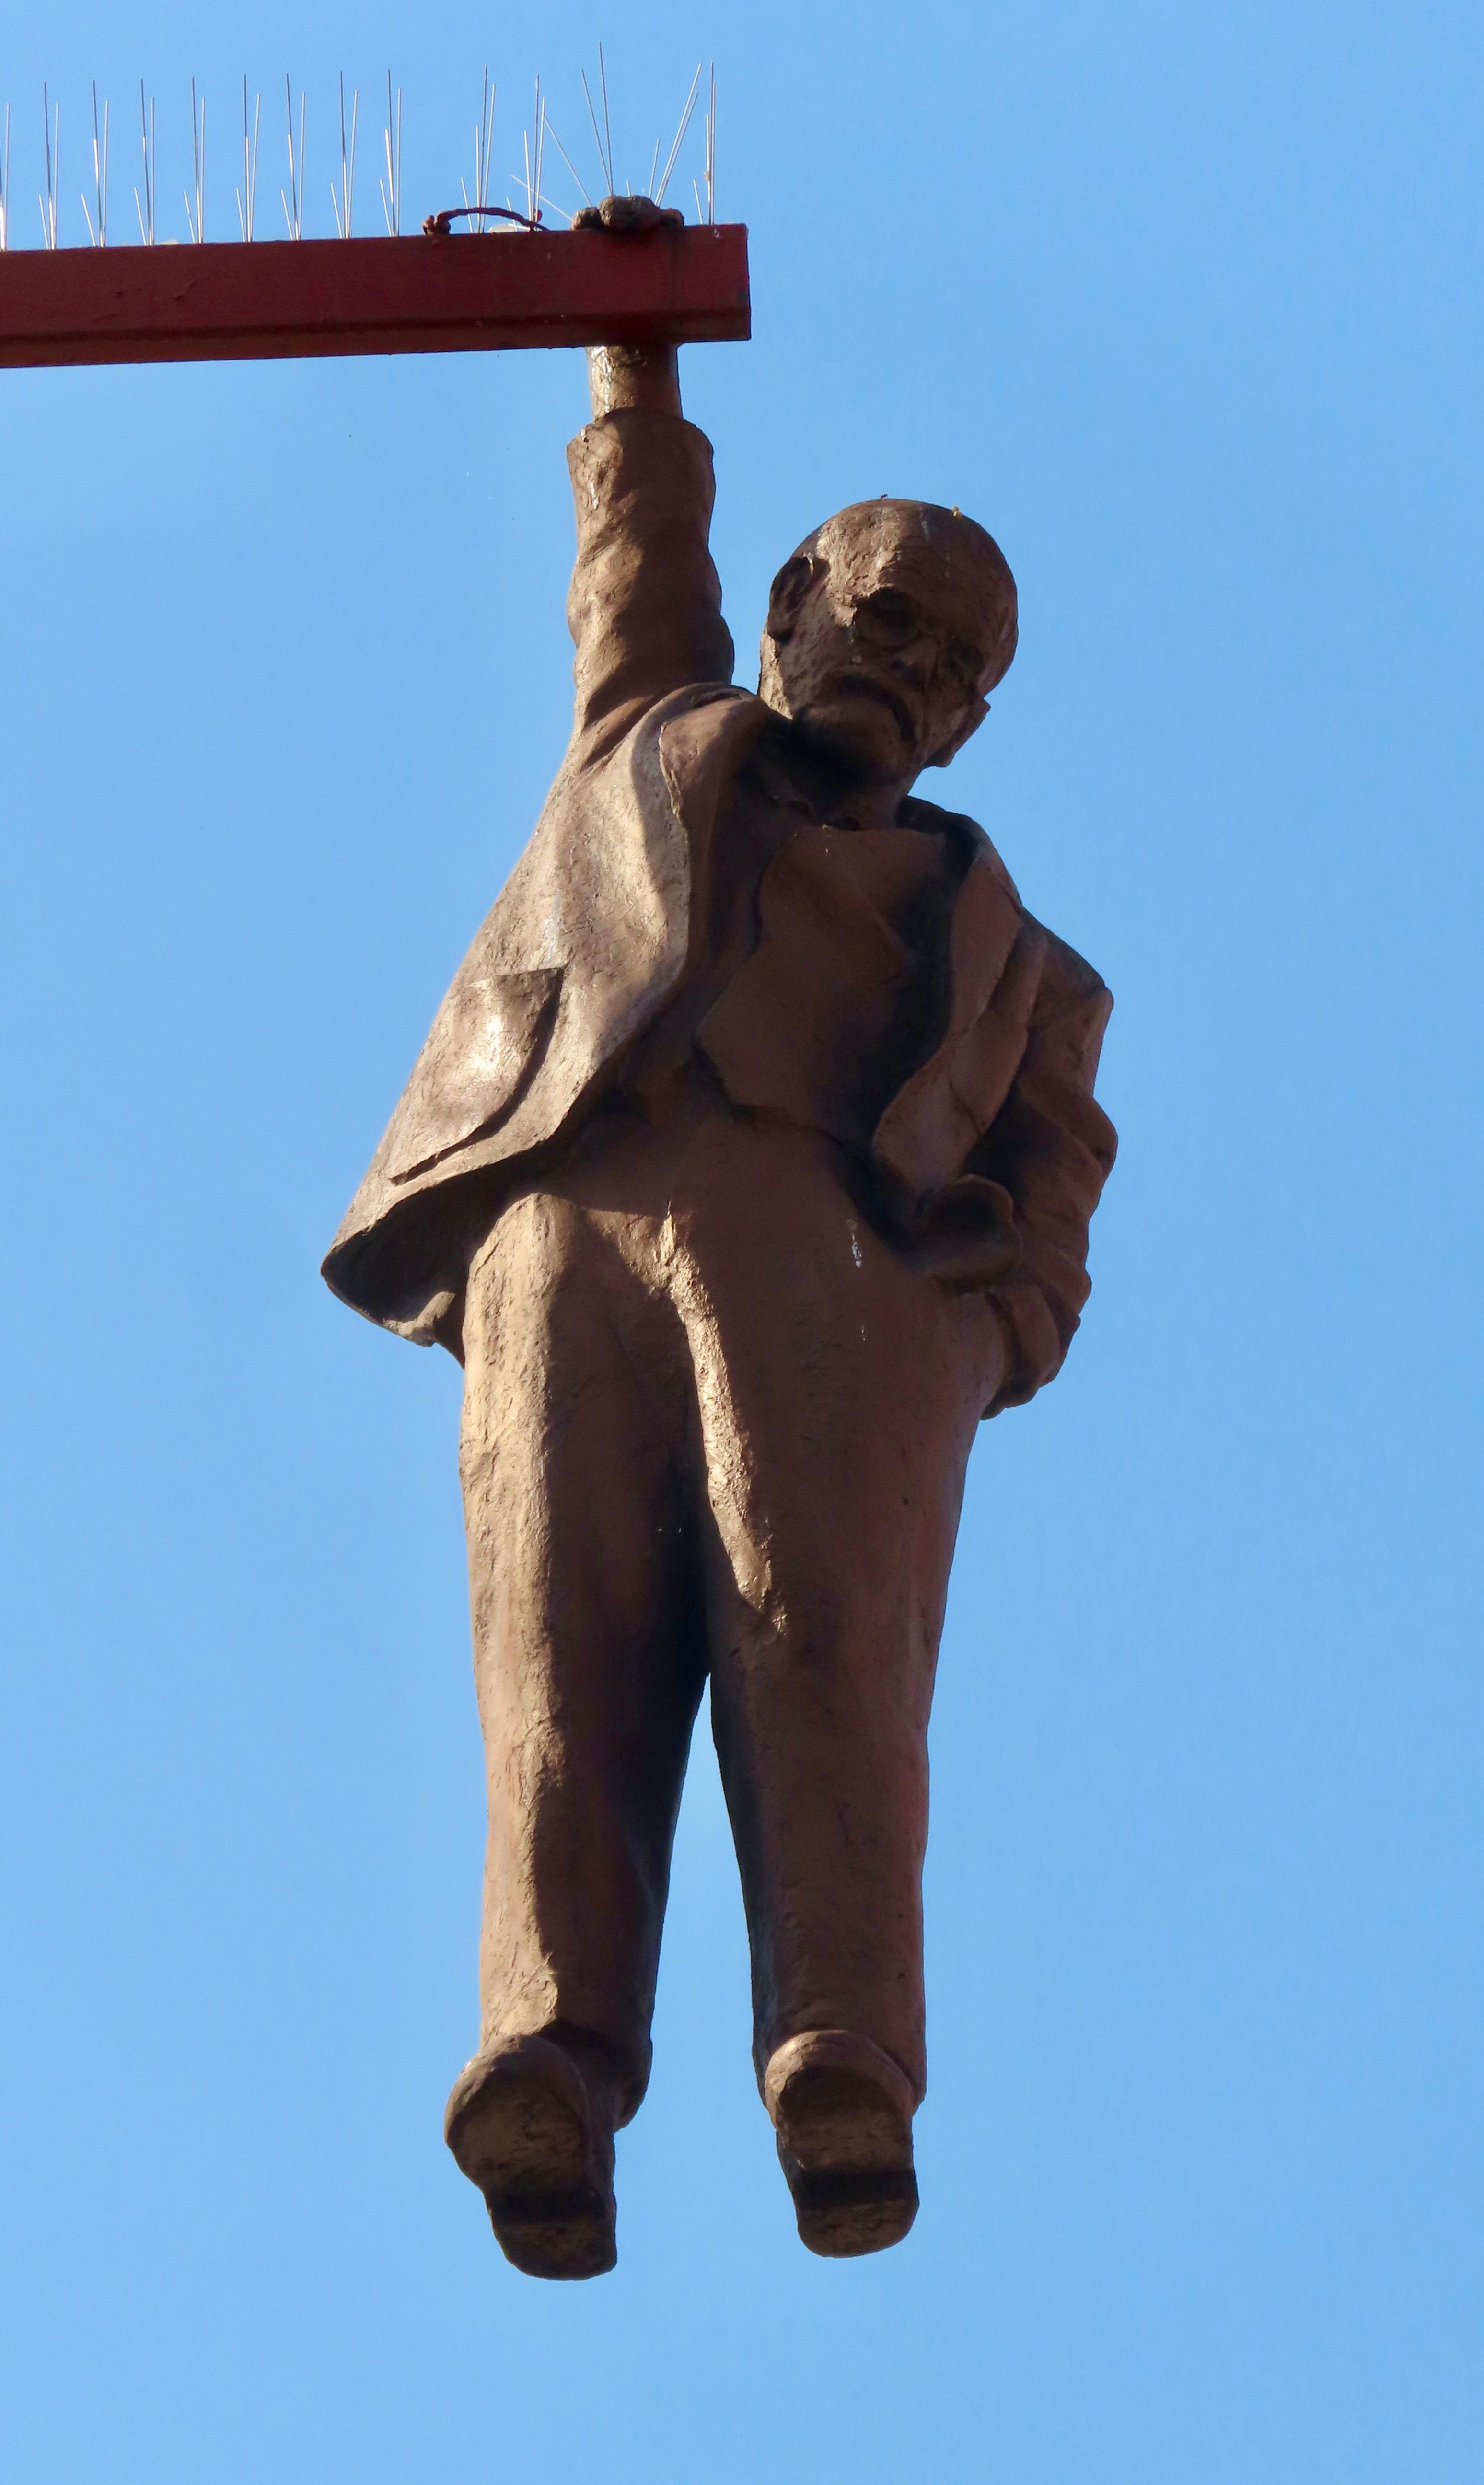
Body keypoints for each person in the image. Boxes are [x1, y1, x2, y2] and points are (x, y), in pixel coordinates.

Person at [323, 206, 1116, 2280]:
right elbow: (632, 551)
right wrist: (629, 359)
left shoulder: (1017, 949)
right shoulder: (651, 736)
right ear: (790, 607)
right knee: (556, 1657)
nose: (915, 672)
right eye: (887, 618)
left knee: (823, 1643)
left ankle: (843, 2055)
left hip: (838, 1273)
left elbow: (1058, 1177)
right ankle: (549, 2067)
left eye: (959, 668)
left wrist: (986, 1327)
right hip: (574, 1223)